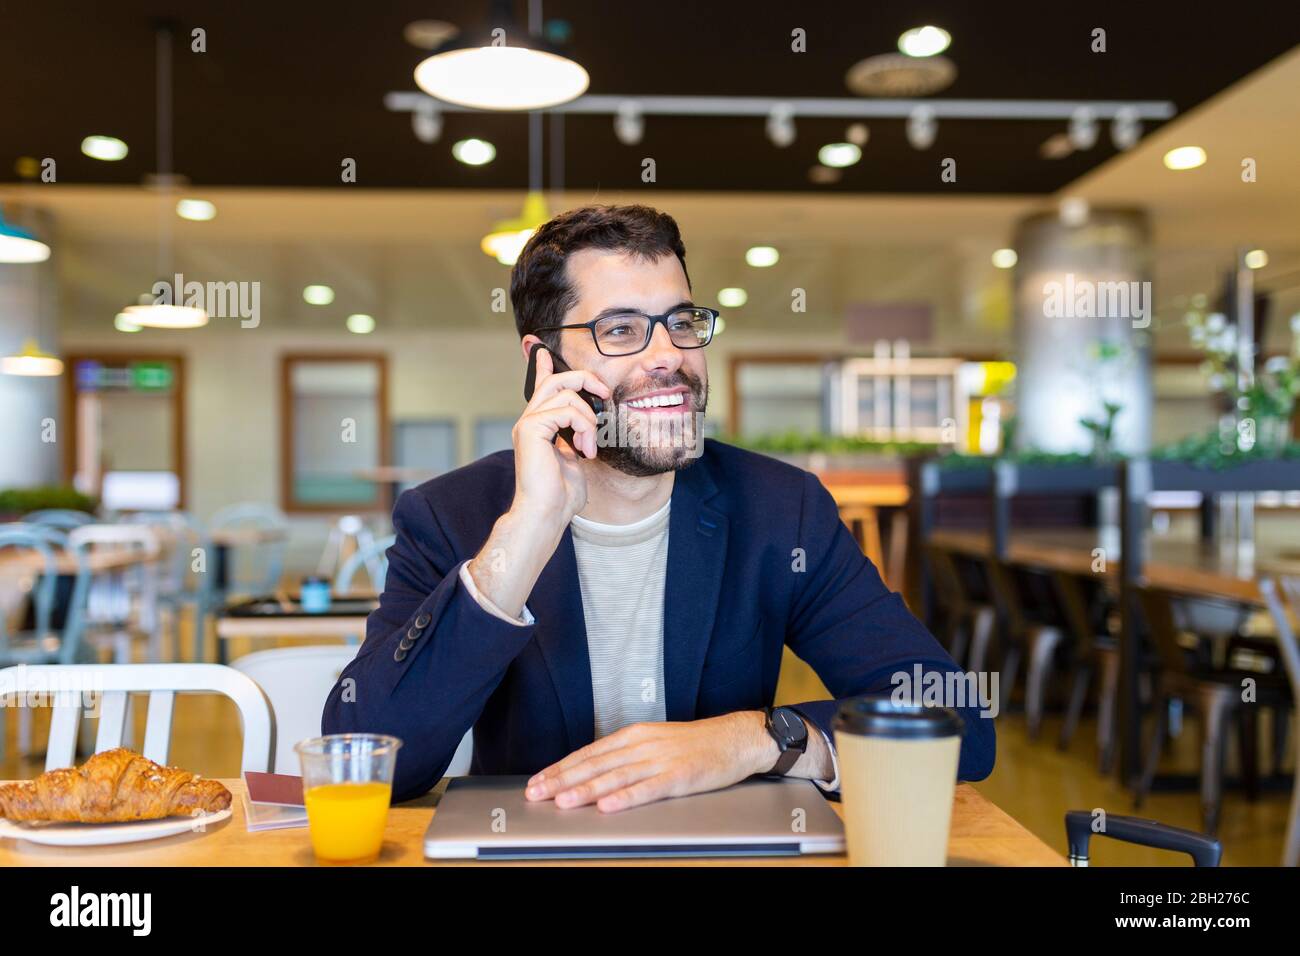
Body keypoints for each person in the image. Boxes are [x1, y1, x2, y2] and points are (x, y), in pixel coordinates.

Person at [322, 203, 994, 809]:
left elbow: (958, 724)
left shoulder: (780, 511)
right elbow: (367, 760)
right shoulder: (452, 515)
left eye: (681, 322)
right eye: (621, 330)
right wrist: (525, 533)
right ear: (542, 364)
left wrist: (754, 740)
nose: (668, 356)